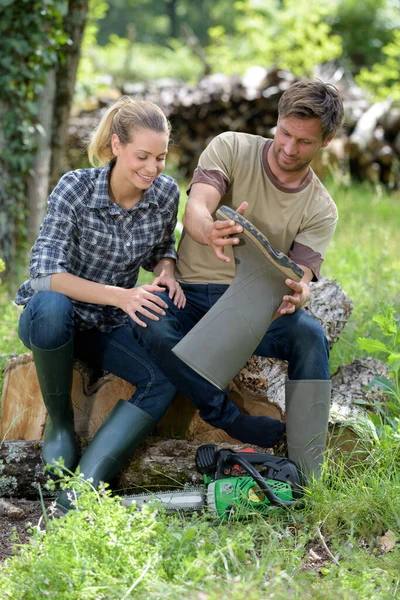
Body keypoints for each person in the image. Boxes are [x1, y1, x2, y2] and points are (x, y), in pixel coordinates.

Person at [127, 79, 345, 452]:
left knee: (309, 335)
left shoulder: (321, 208)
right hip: (189, 297)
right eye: (286, 133)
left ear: (325, 141)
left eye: (305, 141)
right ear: (277, 120)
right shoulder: (230, 146)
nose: (290, 148)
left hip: (252, 313)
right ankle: (225, 417)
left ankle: (307, 463)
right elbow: (196, 207)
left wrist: (301, 293)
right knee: (150, 320)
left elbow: (301, 276)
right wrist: (209, 230)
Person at [15, 96, 186, 508]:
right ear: (116, 146)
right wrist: (120, 295)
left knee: (161, 378)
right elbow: (44, 274)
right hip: (52, 320)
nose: (152, 168)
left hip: (107, 325)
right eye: (142, 156)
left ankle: (84, 486)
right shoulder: (75, 187)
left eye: (160, 157)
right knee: (52, 306)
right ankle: (59, 428)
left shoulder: (164, 193)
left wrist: (167, 268)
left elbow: (161, 247)